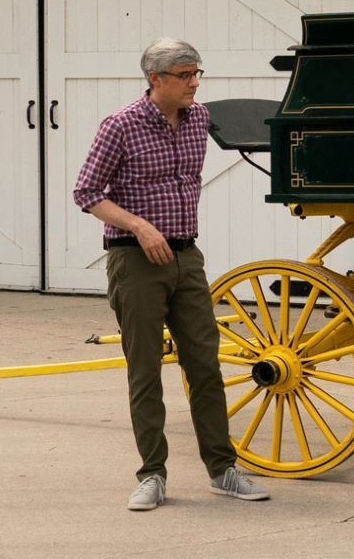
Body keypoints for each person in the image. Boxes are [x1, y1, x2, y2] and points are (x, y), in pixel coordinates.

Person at [74, 38, 269, 511]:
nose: (194, 83)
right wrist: (140, 226)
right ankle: (152, 475)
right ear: (155, 79)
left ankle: (222, 469)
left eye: (197, 73)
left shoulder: (199, 119)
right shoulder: (120, 125)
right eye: (184, 75)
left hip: (187, 257)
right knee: (145, 371)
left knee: (205, 365)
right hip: (135, 260)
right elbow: (86, 192)